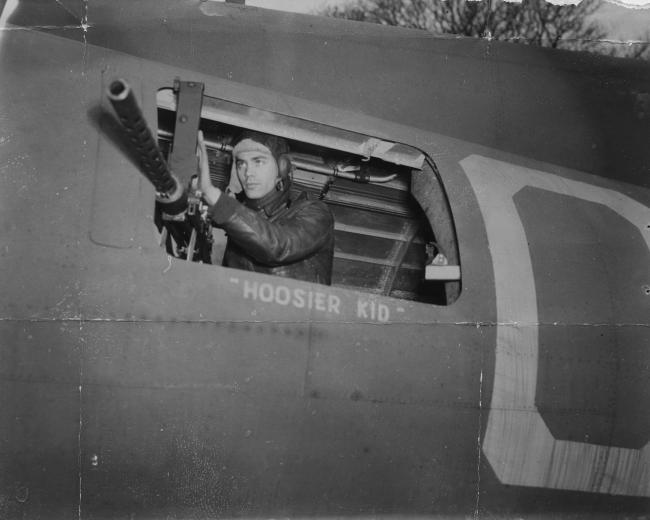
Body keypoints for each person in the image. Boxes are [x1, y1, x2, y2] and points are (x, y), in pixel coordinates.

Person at [197, 129, 334, 285]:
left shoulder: (316, 213)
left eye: (258, 161)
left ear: (282, 167)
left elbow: (277, 246)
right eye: (241, 164)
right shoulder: (238, 221)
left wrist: (217, 199)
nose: (248, 173)